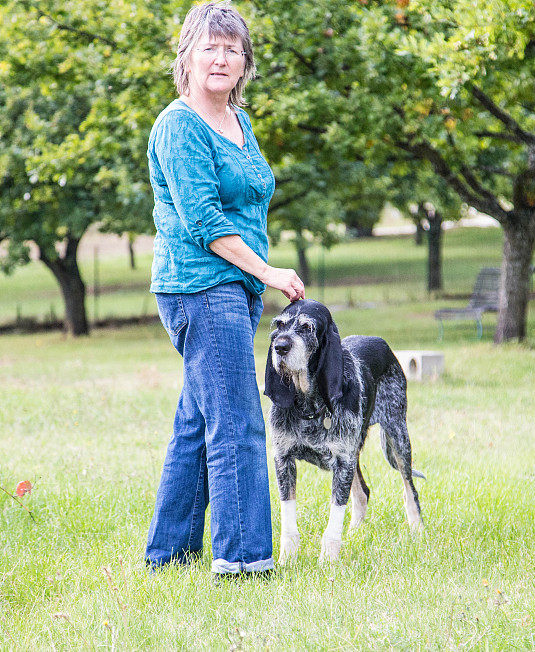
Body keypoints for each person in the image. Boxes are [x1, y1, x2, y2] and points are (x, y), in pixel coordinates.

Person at [144, 0, 304, 580]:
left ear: (244, 65)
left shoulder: (239, 122)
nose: (220, 57)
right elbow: (207, 223)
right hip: (199, 287)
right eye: (209, 46)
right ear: (186, 57)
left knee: (199, 417)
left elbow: (250, 198)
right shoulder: (179, 126)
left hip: (232, 290)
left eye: (231, 49)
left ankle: (169, 553)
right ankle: (244, 559)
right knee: (236, 419)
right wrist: (270, 272)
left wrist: (255, 280)